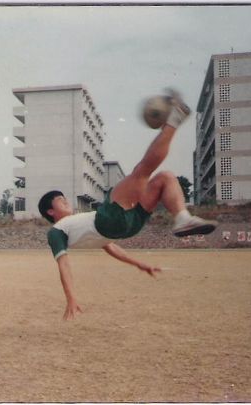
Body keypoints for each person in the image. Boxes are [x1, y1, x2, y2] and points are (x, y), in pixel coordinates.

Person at [37, 90, 217, 320]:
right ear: (50, 211)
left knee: (164, 178)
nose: (67, 200)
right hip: (109, 220)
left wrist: (139, 264)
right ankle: (175, 119)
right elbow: (63, 264)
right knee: (142, 171)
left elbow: (109, 245)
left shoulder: (77, 224)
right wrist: (71, 298)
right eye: (61, 200)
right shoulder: (56, 231)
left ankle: (182, 218)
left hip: (128, 226)